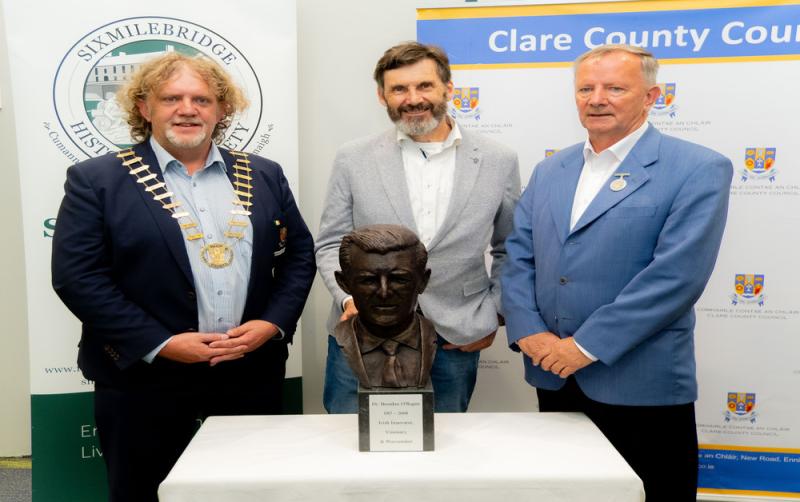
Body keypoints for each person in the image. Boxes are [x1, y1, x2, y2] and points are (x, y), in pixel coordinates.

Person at [51, 52, 315, 502]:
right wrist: (162, 344)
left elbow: (300, 256)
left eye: (202, 99)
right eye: (171, 97)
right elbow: (78, 276)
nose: (188, 109)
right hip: (145, 379)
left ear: (221, 110)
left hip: (247, 371)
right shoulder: (96, 180)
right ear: (144, 108)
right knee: (143, 492)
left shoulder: (264, 174)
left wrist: (272, 324)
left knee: (249, 492)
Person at [501, 44, 732, 501]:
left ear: (651, 96)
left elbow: (676, 277)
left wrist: (584, 348)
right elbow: (517, 257)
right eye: (586, 87)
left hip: (640, 385)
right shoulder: (550, 170)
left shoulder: (699, 168)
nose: (597, 98)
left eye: (615, 88)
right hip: (553, 374)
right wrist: (530, 334)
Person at [316, 41, 520, 413]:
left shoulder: (497, 160)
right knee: (348, 447)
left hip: (455, 334)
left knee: (443, 450)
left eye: (424, 86)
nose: (413, 98)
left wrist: (494, 311)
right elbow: (331, 242)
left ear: (447, 88)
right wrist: (350, 300)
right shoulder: (353, 157)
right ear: (382, 96)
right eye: (399, 89)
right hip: (363, 331)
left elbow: (513, 247)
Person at [333, 224, 436, 389]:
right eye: (368, 280)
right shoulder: (341, 341)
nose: (384, 292)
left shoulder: (434, 337)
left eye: (399, 279)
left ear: (422, 281)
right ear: (344, 283)